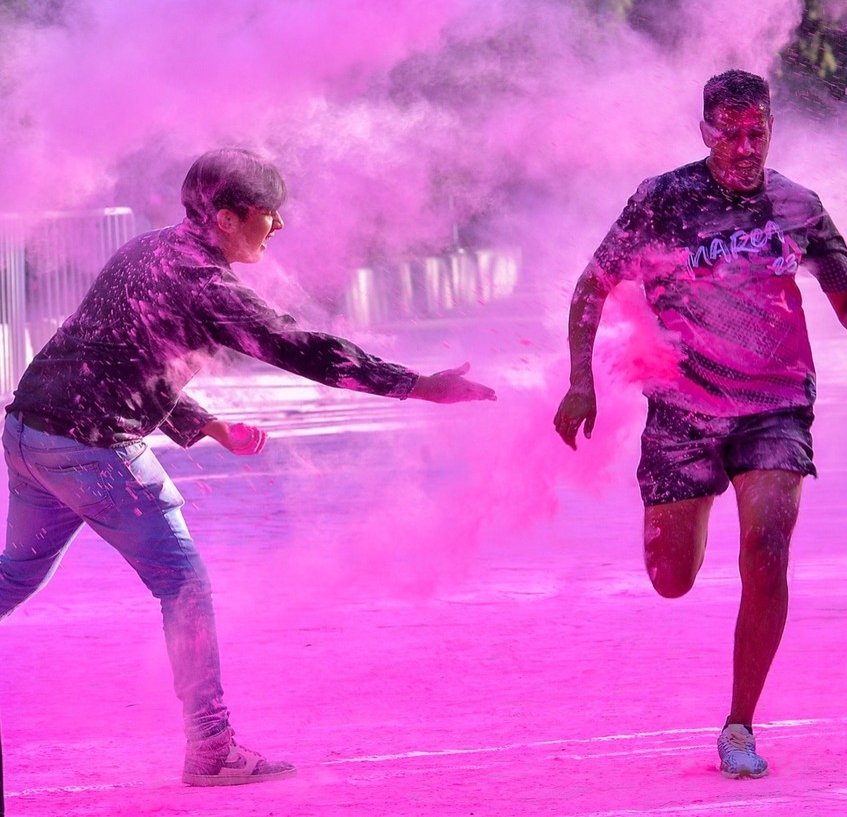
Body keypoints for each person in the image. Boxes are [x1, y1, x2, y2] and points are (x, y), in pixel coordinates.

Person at [0, 148, 496, 787]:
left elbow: (108, 356)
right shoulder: (203, 285)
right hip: (90, 448)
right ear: (229, 218)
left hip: (26, 435)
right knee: (184, 585)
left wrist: (203, 426)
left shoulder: (145, 250)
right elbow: (302, 348)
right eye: (270, 214)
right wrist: (418, 385)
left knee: (13, 578)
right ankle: (211, 746)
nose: (279, 227)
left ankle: (212, 744)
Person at [553, 70, 847, 778]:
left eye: (755, 133)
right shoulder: (661, 200)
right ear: (703, 131)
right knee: (671, 577)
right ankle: (686, 518)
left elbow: (845, 290)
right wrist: (581, 381)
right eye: (728, 133)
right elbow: (592, 285)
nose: (743, 147)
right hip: (683, 411)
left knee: (767, 547)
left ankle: (739, 724)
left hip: (775, 405)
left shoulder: (798, 205)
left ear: (771, 129)